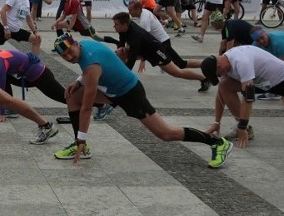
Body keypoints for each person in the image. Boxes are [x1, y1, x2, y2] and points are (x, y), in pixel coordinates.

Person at [54, 33, 232, 167]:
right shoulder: (85, 47)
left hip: (131, 94)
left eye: (70, 52)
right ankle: (80, 146)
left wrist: (83, 138)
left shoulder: (92, 64)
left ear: (76, 44)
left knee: (166, 133)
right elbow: (92, 69)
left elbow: (86, 108)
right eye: (65, 57)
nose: (69, 57)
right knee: (73, 96)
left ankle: (217, 142)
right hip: (113, 91)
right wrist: (77, 83)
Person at [0, 40, 66, 121]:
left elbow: (1, 88)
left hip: (42, 76)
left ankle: (78, 108)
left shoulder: (0, 62)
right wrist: (0, 108)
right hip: (30, 78)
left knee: (62, 96)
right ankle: (11, 109)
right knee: (5, 80)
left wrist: (3, 112)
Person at [111, 12, 205, 83]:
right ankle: (117, 73)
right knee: (119, 52)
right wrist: (121, 48)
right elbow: (121, 42)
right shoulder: (123, 28)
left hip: (155, 51)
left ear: (124, 24)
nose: (114, 26)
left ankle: (204, 78)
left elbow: (131, 61)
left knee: (176, 72)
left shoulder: (135, 36)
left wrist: (122, 78)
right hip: (143, 50)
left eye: (116, 24)